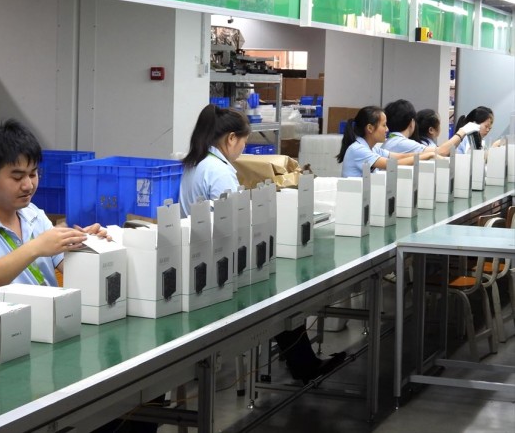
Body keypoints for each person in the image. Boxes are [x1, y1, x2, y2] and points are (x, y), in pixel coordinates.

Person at [180, 104, 344, 385]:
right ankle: (304, 365)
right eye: (244, 141)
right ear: (231, 138)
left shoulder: (196, 163)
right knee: (281, 295)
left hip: (200, 256)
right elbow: (233, 221)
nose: (243, 148)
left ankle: (303, 362)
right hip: (220, 262)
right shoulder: (219, 171)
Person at [0, 119, 110, 299]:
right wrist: (35, 248)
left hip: (49, 310)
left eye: (33, 174)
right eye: (17, 177)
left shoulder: (33, 214)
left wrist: (90, 246)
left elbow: (70, 267)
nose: (28, 185)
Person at [336, 105, 437, 178]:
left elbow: (401, 156)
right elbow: (394, 164)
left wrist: (428, 154)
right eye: (384, 125)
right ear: (370, 128)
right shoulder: (358, 149)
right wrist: (429, 155)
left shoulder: (373, 149)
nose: (387, 129)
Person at [382, 99, 479, 156]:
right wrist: (463, 131)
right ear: (411, 123)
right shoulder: (402, 143)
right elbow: (441, 152)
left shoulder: (392, 141)